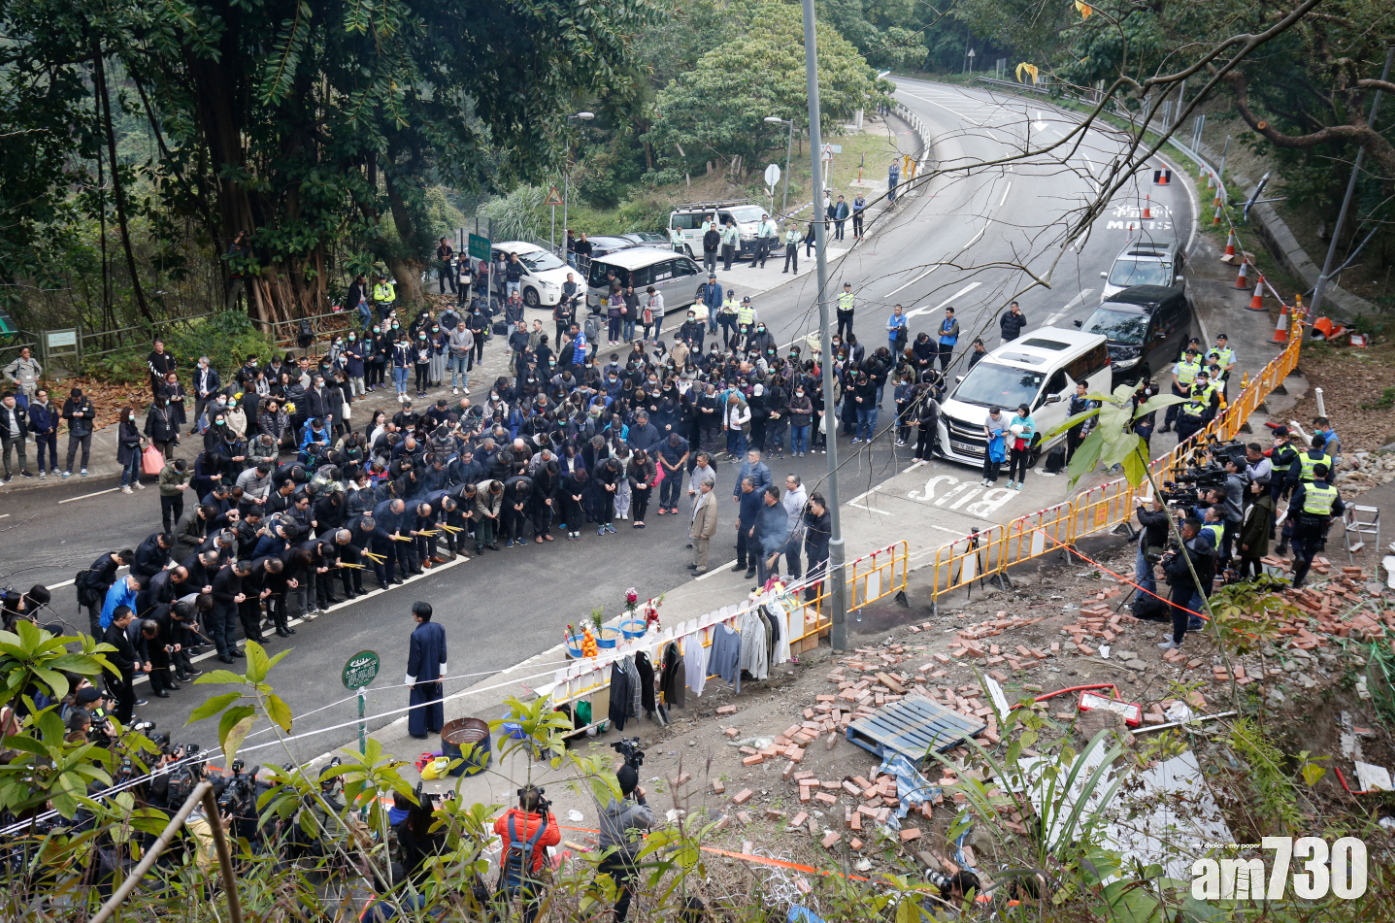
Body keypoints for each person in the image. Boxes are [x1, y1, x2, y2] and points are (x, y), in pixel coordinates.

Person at [595, 764, 653, 923]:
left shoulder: (601, 798)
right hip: (628, 857)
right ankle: (618, 920)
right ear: (634, 787)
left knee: (600, 883)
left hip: (605, 850)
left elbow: (606, 786)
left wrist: (615, 776)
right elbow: (650, 822)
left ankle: (586, 913)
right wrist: (642, 799)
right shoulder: (635, 811)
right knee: (624, 893)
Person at [494, 785, 560, 923]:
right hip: (532, 873)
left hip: (507, 869)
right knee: (531, 907)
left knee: (500, 903)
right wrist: (550, 815)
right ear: (538, 804)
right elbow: (556, 839)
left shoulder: (507, 819)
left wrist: (513, 811)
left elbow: (496, 828)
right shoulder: (545, 828)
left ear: (520, 802)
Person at [1159, 518, 1214, 651]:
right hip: (1188, 583)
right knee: (1181, 611)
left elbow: (1178, 570)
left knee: (1178, 612)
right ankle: (1178, 634)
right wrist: (1177, 554)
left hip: (1184, 585)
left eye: (1183, 529)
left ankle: (1177, 641)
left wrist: (1164, 564)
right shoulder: (1198, 542)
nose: (1181, 530)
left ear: (1190, 532)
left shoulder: (1191, 552)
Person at [1288, 465, 1344, 589]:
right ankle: (1298, 582)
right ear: (1327, 475)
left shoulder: (1306, 487)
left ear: (1313, 474)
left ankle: (1298, 554)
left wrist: (1290, 517)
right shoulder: (1333, 491)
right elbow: (1340, 508)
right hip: (1320, 526)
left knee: (1295, 539)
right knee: (1310, 551)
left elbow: (1294, 504)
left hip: (1303, 521)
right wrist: (1331, 514)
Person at [406, 601, 447, 739]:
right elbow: (443, 650)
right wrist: (442, 672)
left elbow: (414, 660)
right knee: (435, 700)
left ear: (420, 618)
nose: (413, 615)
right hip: (436, 673)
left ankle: (419, 731)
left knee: (419, 702)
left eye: (414, 613)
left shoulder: (416, 635)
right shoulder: (439, 628)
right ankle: (436, 726)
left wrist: (410, 680)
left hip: (421, 677)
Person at [103, 605, 143, 721]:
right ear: (121, 619)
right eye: (130, 618)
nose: (132, 619)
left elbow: (129, 645)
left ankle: (127, 720)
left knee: (129, 697)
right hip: (115, 674)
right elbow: (114, 659)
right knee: (119, 701)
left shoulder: (124, 627)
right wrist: (131, 665)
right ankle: (121, 724)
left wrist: (135, 660)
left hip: (125, 671)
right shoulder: (110, 637)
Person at [1237, 477, 1275, 580]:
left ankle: (1247, 579)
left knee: (1251, 559)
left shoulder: (1261, 505)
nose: (1251, 486)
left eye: (1254, 485)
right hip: (1249, 534)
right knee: (1250, 559)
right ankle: (1250, 579)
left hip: (1252, 537)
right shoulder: (1257, 500)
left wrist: (1247, 541)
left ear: (1262, 488)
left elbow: (1258, 526)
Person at [1133, 496, 1169, 595]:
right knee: (1147, 573)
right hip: (1148, 548)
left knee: (1142, 576)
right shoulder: (1158, 514)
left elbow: (1145, 520)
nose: (1152, 502)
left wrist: (1139, 507)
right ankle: (1151, 595)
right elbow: (1146, 515)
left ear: (1160, 503)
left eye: (1154, 500)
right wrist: (1142, 509)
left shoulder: (1161, 517)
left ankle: (1140, 601)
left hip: (1147, 549)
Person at [62, 387, 96, 477]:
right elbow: (64, 415)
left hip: (86, 430)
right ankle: (69, 469)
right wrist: (71, 415)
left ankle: (83, 467)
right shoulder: (68, 403)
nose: (76, 400)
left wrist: (83, 414)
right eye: (74, 399)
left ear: (81, 396)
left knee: (85, 450)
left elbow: (92, 414)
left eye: (77, 399)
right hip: (74, 431)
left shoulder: (87, 403)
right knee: (71, 451)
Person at [688, 474, 718, 574]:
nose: (700, 486)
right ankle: (696, 562)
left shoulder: (711, 501)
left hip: (702, 528)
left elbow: (710, 519)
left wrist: (705, 533)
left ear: (709, 487)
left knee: (703, 549)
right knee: (696, 546)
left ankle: (701, 567)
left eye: (702, 485)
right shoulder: (700, 494)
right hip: (696, 524)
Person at [733, 476, 762, 579]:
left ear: (751, 486)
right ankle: (741, 563)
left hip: (750, 526)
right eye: (741, 485)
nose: (742, 487)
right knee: (741, 545)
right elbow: (743, 508)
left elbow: (758, 514)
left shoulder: (755, 497)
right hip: (743, 524)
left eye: (744, 485)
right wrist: (738, 520)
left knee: (751, 549)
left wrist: (753, 528)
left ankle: (752, 568)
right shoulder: (744, 494)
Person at [26, 388, 58, 477]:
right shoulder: (33, 407)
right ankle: (42, 470)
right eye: (42, 396)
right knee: (41, 452)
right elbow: (35, 421)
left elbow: (56, 417)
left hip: (52, 433)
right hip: (41, 434)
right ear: (37, 397)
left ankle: (54, 467)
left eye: (45, 395)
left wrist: (53, 428)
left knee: (53, 451)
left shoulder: (50, 404)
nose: (45, 397)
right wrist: (46, 429)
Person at [0, 392, 30, 483]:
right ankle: (8, 472)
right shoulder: (1, 410)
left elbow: (23, 418)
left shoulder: (19, 407)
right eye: (8, 400)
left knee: (22, 453)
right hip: (7, 436)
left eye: (12, 399)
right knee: (7, 454)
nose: (11, 401)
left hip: (20, 435)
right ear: (4, 401)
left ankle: (23, 470)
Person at [1005, 403, 1035, 490]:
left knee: (1022, 464)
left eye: (1021, 411)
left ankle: (1020, 482)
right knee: (1013, 462)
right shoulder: (1015, 418)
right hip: (1014, 444)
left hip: (1024, 445)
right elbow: (1010, 429)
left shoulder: (1030, 421)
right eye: (1019, 411)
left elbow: (1030, 435)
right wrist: (1012, 433)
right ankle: (1011, 479)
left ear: (1025, 412)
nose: (1019, 413)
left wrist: (1019, 435)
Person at [1064, 381, 1096, 463]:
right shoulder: (1074, 397)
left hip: (1080, 428)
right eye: (1077, 387)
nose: (1077, 390)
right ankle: (1068, 463)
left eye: (1080, 388)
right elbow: (1069, 410)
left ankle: (1078, 464)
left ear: (1085, 389)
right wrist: (1066, 423)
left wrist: (1084, 431)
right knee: (1070, 446)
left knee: (1079, 447)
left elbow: (1088, 419)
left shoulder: (1089, 402)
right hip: (1072, 426)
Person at [981, 405, 1007, 487]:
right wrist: (986, 432)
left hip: (999, 444)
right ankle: (986, 477)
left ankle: (993, 479)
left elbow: (1008, 432)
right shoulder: (988, 417)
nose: (992, 417)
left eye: (993, 416)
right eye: (991, 415)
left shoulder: (1005, 420)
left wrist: (997, 434)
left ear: (998, 414)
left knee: (996, 462)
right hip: (989, 441)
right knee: (987, 460)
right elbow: (985, 426)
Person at [936, 307, 960, 372]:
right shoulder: (944, 321)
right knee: (941, 357)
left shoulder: (955, 322)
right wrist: (944, 332)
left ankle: (944, 371)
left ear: (952, 313)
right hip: (942, 342)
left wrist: (946, 332)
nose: (946, 314)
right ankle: (942, 370)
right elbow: (939, 331)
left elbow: (952, 333)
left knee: (946, 358)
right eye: (946, 313)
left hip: (949, 343)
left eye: (948, 313)